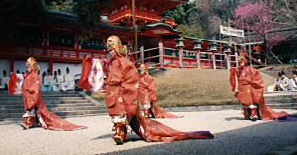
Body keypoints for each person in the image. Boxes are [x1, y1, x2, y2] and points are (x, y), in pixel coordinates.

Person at [79, 35, 213, 145]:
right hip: (112, 93)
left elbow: (132, 80)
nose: (110, 51)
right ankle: (120, 132)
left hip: (123, 93)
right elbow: (99, 65)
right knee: (116, 115)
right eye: (109, 48)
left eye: (112, 48)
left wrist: (127, 88)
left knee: (121, 115)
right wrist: (90, 61)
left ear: (118, 49)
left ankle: (120, 133)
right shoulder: (109, 62)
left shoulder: (126, 63)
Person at [8, 57, 86, 131]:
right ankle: (34, 122)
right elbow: (22, 77)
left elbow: (36, 87)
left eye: (28, 67)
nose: (27, 69)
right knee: (34, 110)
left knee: (31, 110)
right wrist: (14, 76)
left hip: (32, 94)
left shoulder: (35, 76)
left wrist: (31, 92)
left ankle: (27, 123)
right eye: (27, 67)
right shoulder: (28, 76)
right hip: (29, 95)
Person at [229, 52, 289, 121]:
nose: (240, 64)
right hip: (242, 87)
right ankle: (246, 114)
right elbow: (234, 75)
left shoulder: (250, 70)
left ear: (245, 62)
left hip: (248, 87)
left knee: (250, 101)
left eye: (242, 62)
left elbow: (256, 74)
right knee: (244, 101)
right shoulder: (238, 70)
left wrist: (253, 84)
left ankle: (254, 114)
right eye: (239, 62)